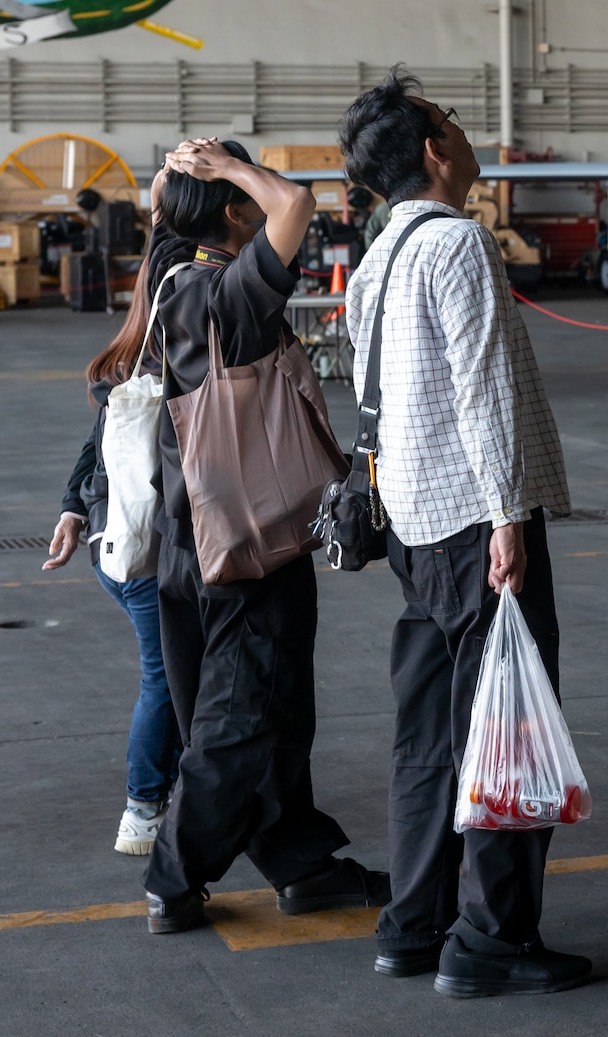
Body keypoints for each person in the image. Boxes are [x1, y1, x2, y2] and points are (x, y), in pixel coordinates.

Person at [339, 69, 588, 998]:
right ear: (436, 151)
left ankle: (414, 921)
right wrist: (510, 518)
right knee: (507, 727)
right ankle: (491, 940)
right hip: (477, 528)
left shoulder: (379, 256)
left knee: (430, 735)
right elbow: (481, 392)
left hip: (410, 522)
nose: (466, 134)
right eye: (454, 122)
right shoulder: (458, 245)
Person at [139, 137, 389, 935]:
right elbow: (298, 204)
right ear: (231, 210)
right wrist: (232, 171)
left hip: (190, 539)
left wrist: (184, 177)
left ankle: (300, 863)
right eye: (246, 195)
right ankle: (173, 878)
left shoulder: (168, 276)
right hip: (249, 545)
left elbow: (171, 210)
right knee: (239, 721)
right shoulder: (230, 297)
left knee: (270, 711)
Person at [44, 222, 185, 856]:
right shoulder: (177, 353)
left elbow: (96, 442)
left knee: (178, 673)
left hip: (111, 539)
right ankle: (143, 807)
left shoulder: (131, 353)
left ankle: (168, 791)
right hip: (145, 553)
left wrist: (74, 508)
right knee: (166, 678)